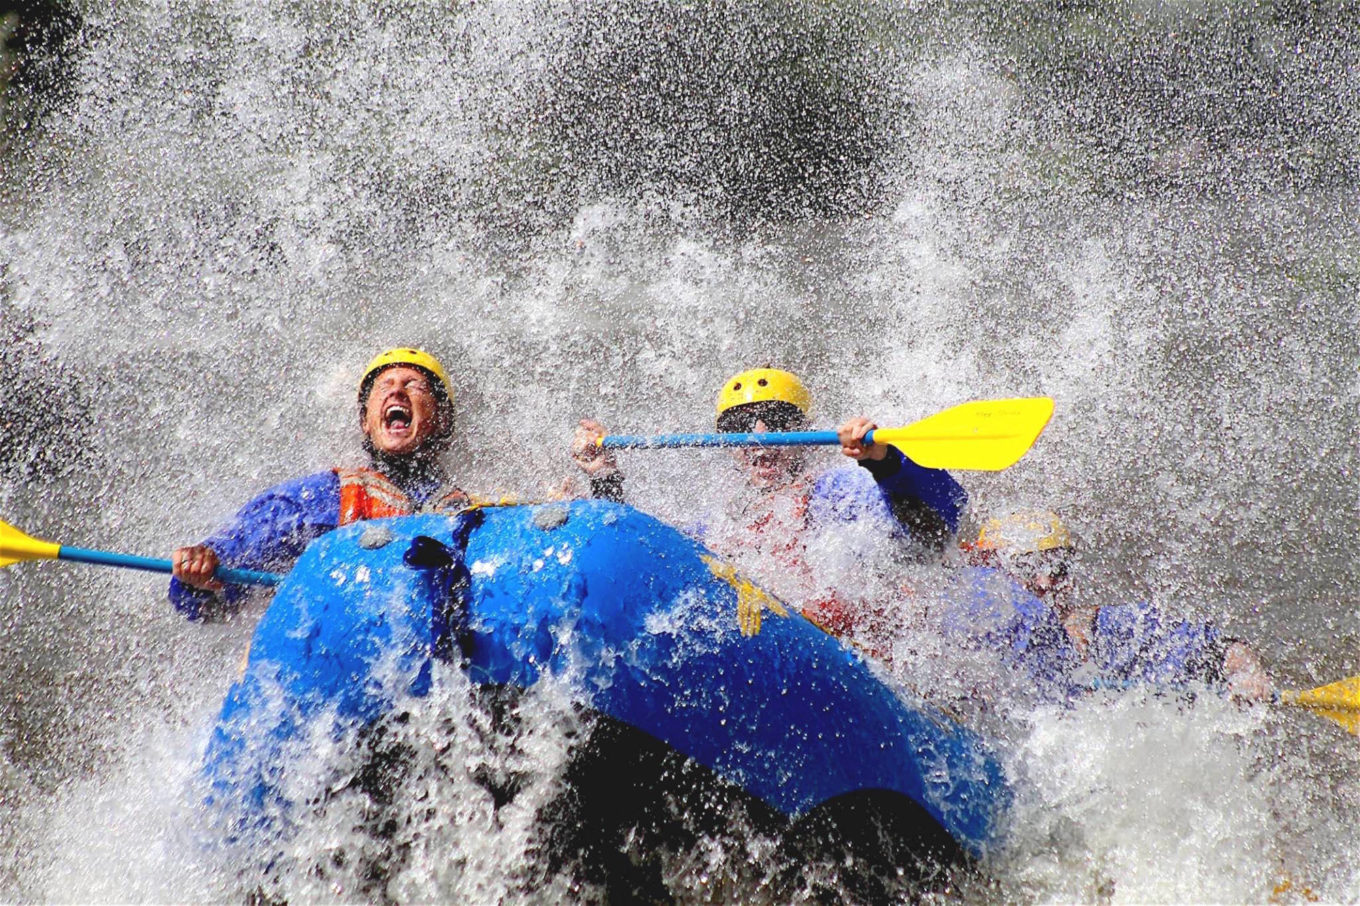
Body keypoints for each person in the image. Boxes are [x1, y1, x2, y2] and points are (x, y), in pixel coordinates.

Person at [571, 367, 969, 646]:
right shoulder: (720, 524)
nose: (759, 436)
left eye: (776, 419)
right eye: (739, 426)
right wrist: (607, 480)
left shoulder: (838, 491)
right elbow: (651, 565)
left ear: (803, 431)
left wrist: (884, 461)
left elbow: (935, 532)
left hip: (858, 661)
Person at [170, 347, 482, 620]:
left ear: (441, 420)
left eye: (414, 385)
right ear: (365, 421)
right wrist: (198, 571)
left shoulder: (465, 510)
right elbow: (211, 588)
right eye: (385, 385)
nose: (397, 392)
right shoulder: (322, 496)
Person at [959, 510, 1274, 702]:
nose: (1044, 581)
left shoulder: (1104, 629)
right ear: (991, 572)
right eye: (1029, 566)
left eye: (1056, 566)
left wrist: (1248, 674)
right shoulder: (961, 623)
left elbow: (1220, 650)